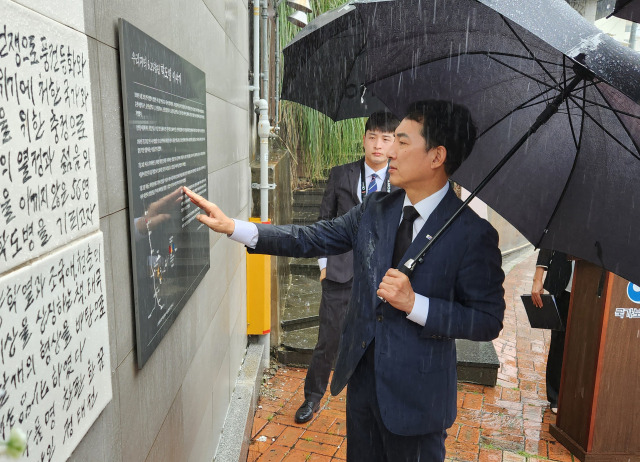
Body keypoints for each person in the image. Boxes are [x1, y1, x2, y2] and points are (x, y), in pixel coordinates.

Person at [184, 100, 506, 461]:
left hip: (418, 399)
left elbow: (487, 319)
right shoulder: (377, 209)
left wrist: (417, 305)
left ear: (437, 156)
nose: (389, 151)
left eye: (401, 142)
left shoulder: (471, 234)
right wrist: (237, 228)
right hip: (364, 386)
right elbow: (312, 237)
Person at [295, 111, 401, 424]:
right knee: (328, 339)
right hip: (340, 273)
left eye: (385, 138)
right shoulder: (340, 174)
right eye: (373, 137)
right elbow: (323, 222)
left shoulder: (400, 180)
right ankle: (312, 398)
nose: (378, 145)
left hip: (380, 276)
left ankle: (380, 402)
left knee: (381, 341)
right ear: (364, 138)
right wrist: (324, 266)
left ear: (394, 143)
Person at [531, 249, 573, 414]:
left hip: (592, 285)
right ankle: (555, 395)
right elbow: (551, 240)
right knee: (559, 340)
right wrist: (538, 277)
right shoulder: (567, 222)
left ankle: (575, 393)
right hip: (563, 282)